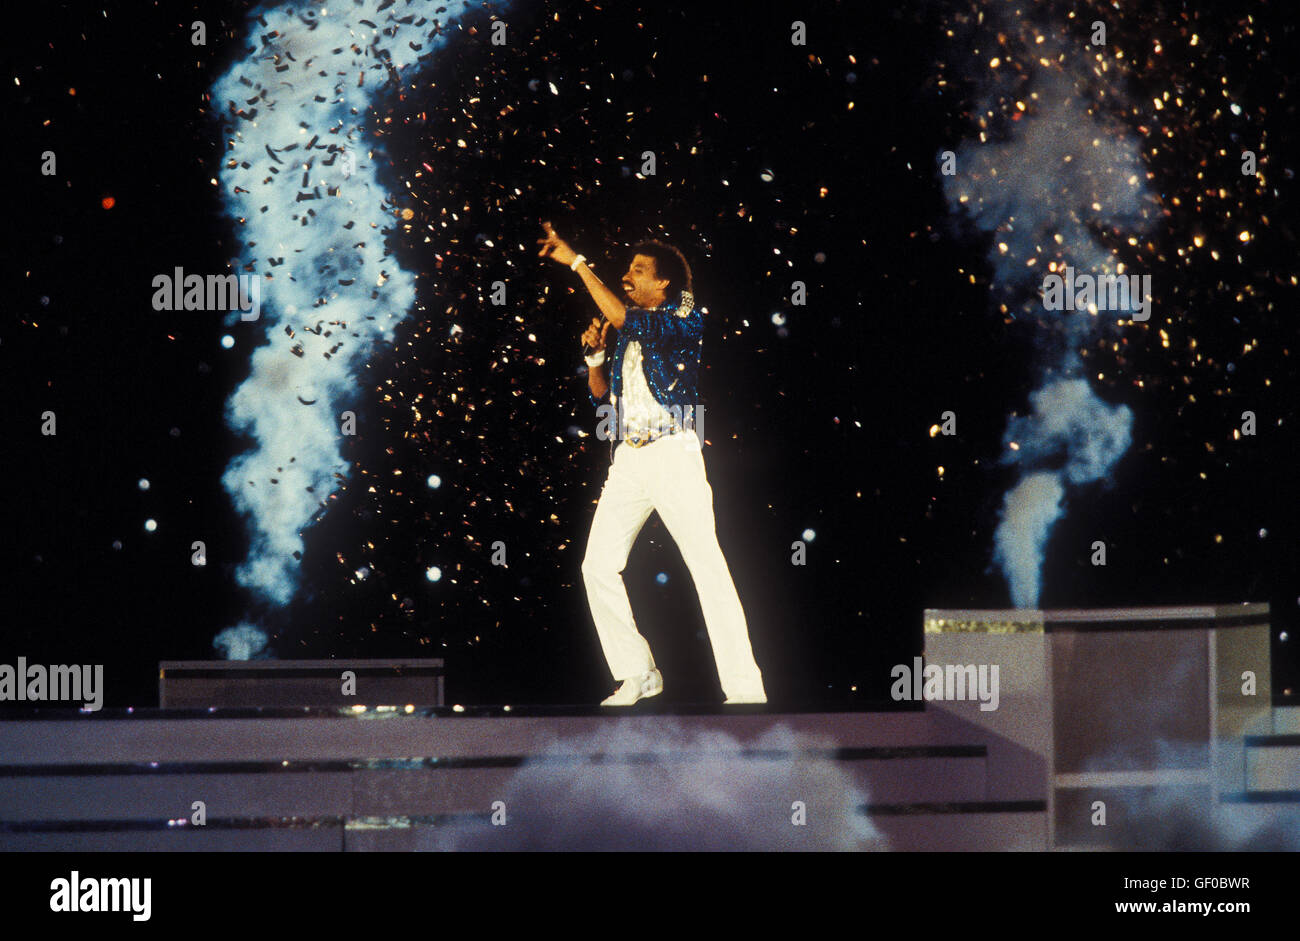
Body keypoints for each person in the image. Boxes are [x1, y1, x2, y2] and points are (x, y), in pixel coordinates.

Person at [537, 223, 767, 705]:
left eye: (638, 271)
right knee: (596, 565)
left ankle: (745, 689)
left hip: (673, 452)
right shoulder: (626, 328)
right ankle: (637, 673)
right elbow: (605, 400)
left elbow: (627, 320)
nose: (627, 276)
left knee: (706, 565)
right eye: (627, 269)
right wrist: (596, 360)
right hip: (629, 459)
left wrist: (578, 263)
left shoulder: (684, 316)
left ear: (663, 282)